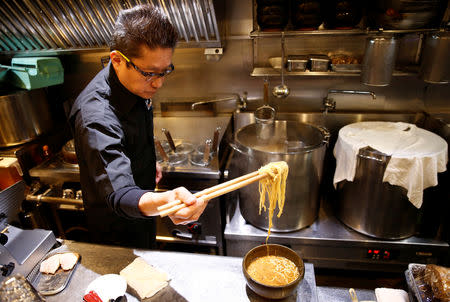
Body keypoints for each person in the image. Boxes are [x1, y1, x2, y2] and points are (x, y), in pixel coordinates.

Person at [69, 5, 207, 248]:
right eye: (150, 73)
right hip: (116, 228)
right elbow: (120, 194)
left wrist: (145, 161)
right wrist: (168, 201)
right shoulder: (95, 115)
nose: (159, 83)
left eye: (165, 71)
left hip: (144, 206)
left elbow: (130, 135)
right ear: (117, 60)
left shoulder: (135, 83)